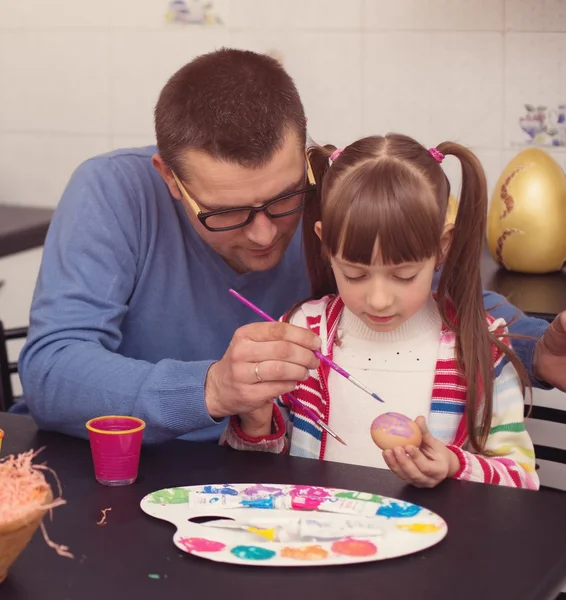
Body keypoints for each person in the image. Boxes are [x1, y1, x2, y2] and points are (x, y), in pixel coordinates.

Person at [16, 48, 566, 445]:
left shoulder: (329, 183)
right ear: (168, 178)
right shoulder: (112, 192)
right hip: (121, 490)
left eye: (283, 199)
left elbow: (434, 294)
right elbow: (52, 372)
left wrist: (539, 350)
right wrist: (210, 388)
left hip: (283, 496)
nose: (263, 233)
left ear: (306, 154)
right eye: (225, 212)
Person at [221, 134, 539, 490]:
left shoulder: (478, 346)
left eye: (404, 275)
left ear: (442, 247)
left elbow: (522, 480)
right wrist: (256, 424)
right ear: (326, 243)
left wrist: (453, 465)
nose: (378, 300)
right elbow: (255, 481)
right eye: (354, 274)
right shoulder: (303, 332)